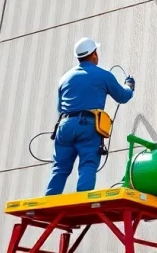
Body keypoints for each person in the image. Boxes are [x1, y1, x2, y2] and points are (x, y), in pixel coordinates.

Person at [45, 37, 135, 196]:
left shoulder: (65, 78)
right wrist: (129, 86)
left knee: (60, 168)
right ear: (93, 54)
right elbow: (122, 97)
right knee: (87, 165)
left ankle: (48, 204)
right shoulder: (103, 75)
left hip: (64, 125)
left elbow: (60, 108)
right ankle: (82, 204)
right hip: (88, 125)